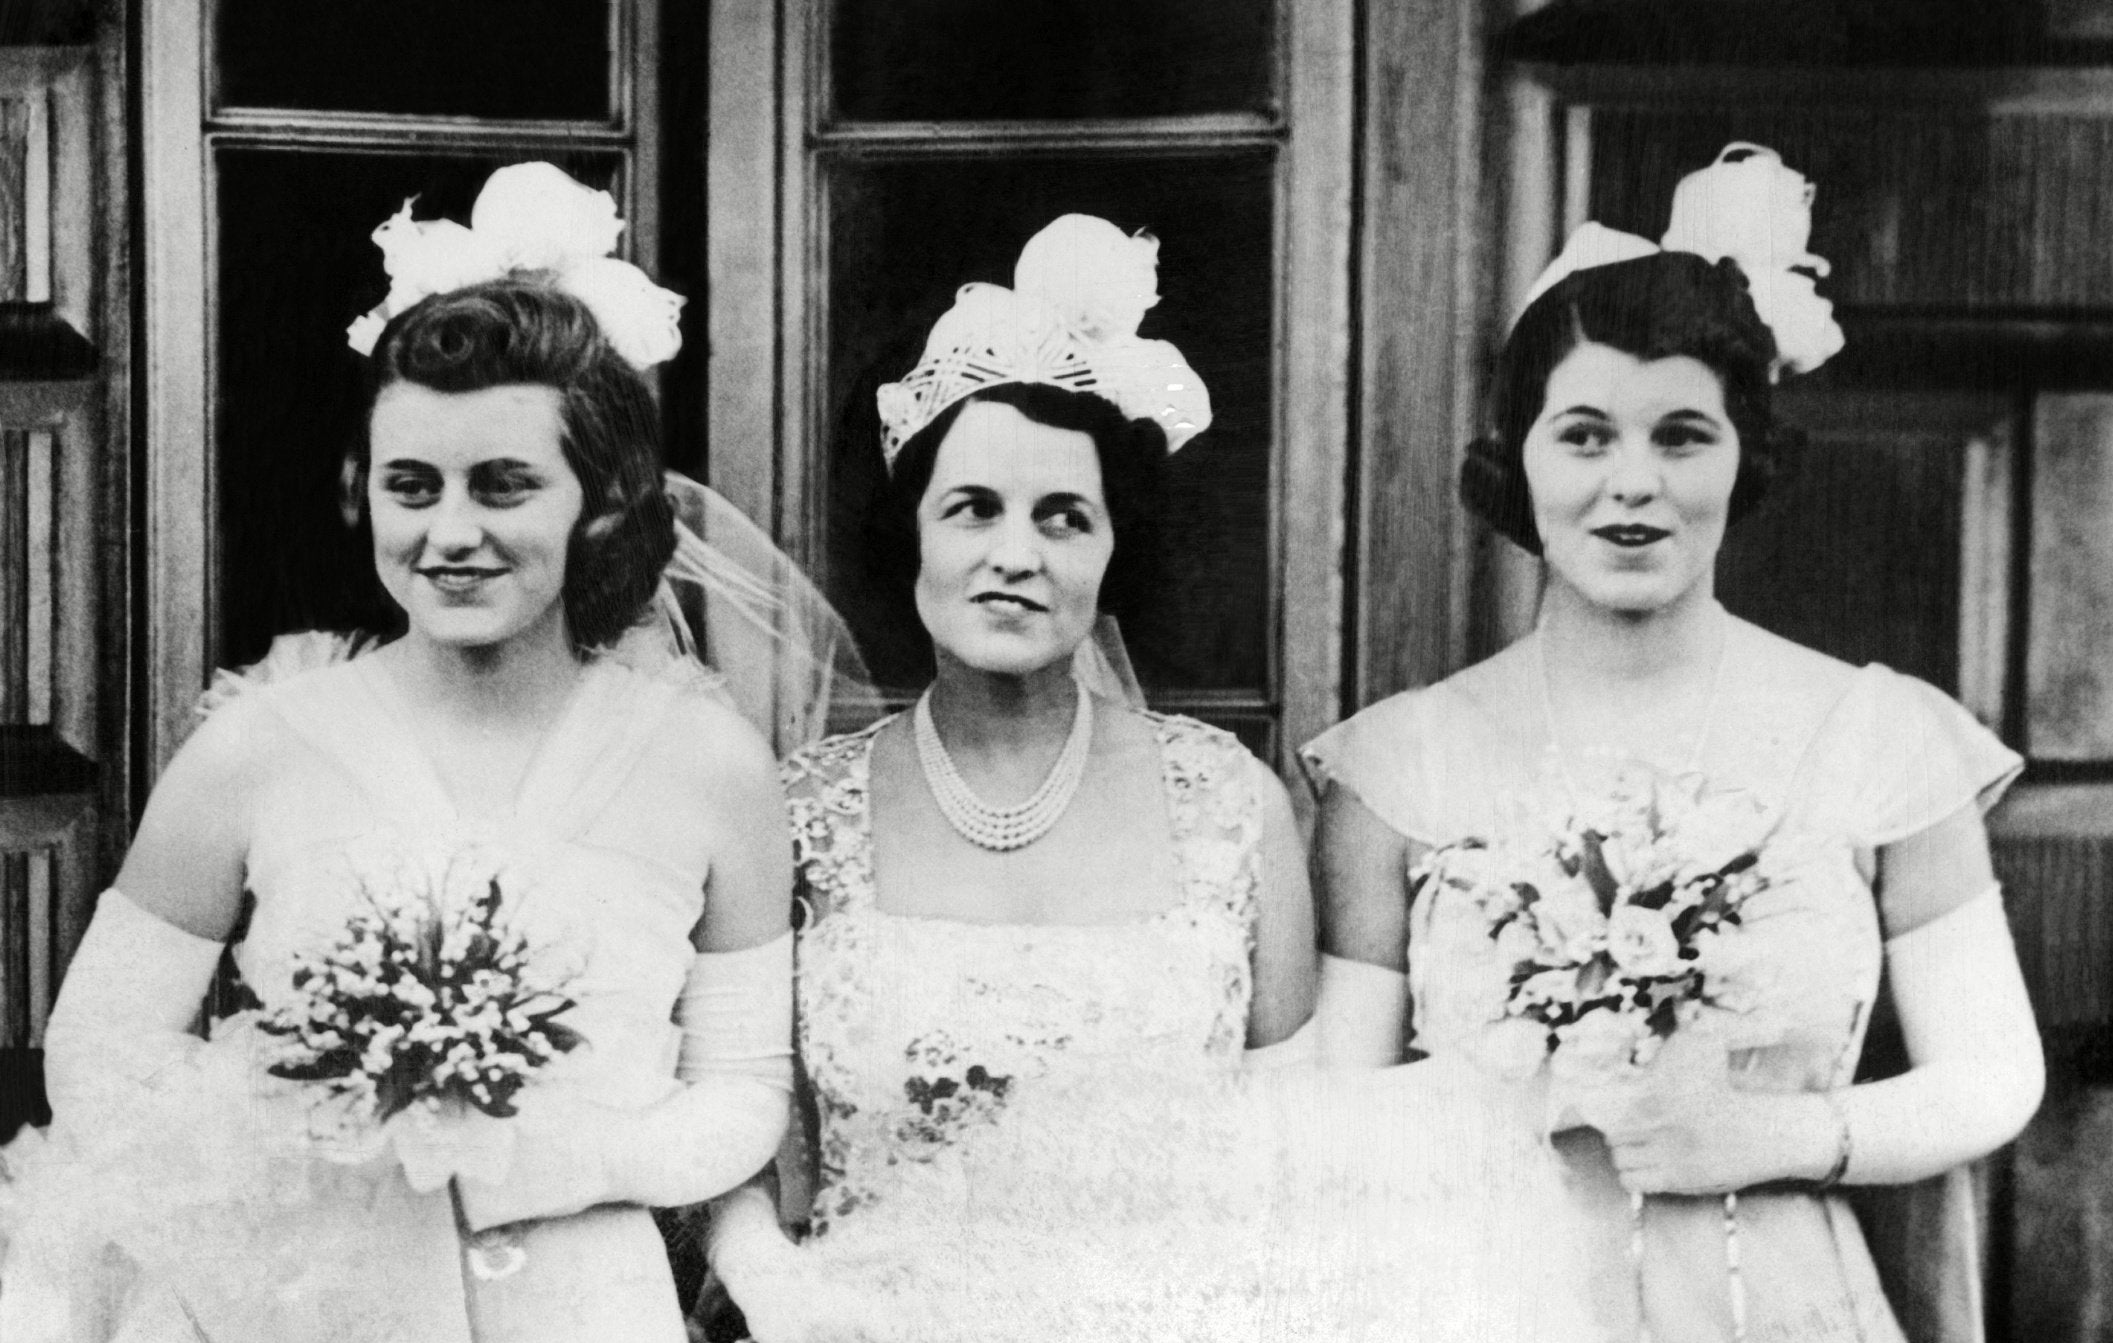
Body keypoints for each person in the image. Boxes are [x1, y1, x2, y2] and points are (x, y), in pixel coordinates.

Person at [704, 215, 1599, 1343]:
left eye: (1064, 518)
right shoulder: (800, 813)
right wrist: (774, 1284)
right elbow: (730, 1114)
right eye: (972, 508)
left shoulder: (1227, 804)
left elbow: (1291, 1147)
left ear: (1113, 550)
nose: (1016, 554)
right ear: (910, 537)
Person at [0, 165, 803, 1343]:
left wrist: (566, 1159)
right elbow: (99, 1049)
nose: (450, 533)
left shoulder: (709, 767)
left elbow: (744, 1086)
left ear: (600, 500)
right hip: (311, 1299)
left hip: (583, 1296)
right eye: (412, 487)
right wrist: (284, 1152)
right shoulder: (258, 747)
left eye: (505, 486)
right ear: (362, 492)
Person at [1302, 145, 2045, 1343]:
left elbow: (1994, 1073)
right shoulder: (1400, 766)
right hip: (1477, 1299)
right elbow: (1335, 1106)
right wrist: (1502, 1110)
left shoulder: (1878, 735)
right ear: (1517, 457)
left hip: (1777, 1300)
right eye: (1584, 435)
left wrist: (1772, 1133)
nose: (1633, 484)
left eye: (1683, 434)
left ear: (1745, 453)